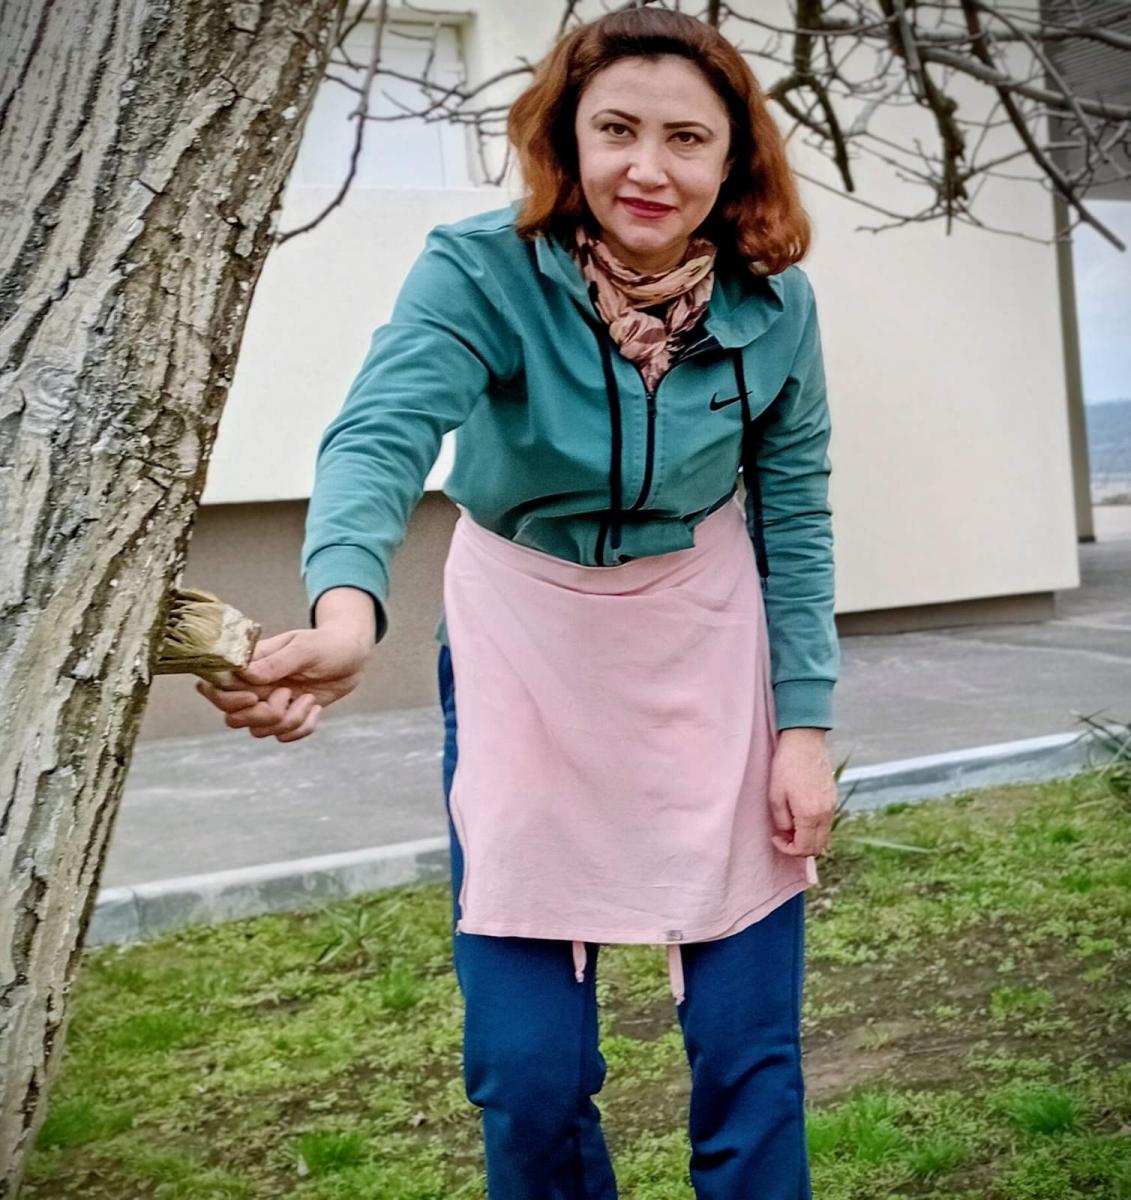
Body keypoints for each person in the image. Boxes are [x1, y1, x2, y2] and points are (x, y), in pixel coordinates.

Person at [197, 8, 840, 1198]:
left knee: (749, 1052)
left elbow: (794, 516)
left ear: (733, 159)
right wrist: (346, 612)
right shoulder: (480, 269)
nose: (649, 168)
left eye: (687, 139)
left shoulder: (775, 306)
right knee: (525, 1071)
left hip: (704, 645)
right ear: (567, 138)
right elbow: (379, 434)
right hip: (525, 647)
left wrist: (803, 727)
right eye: (618, 130)